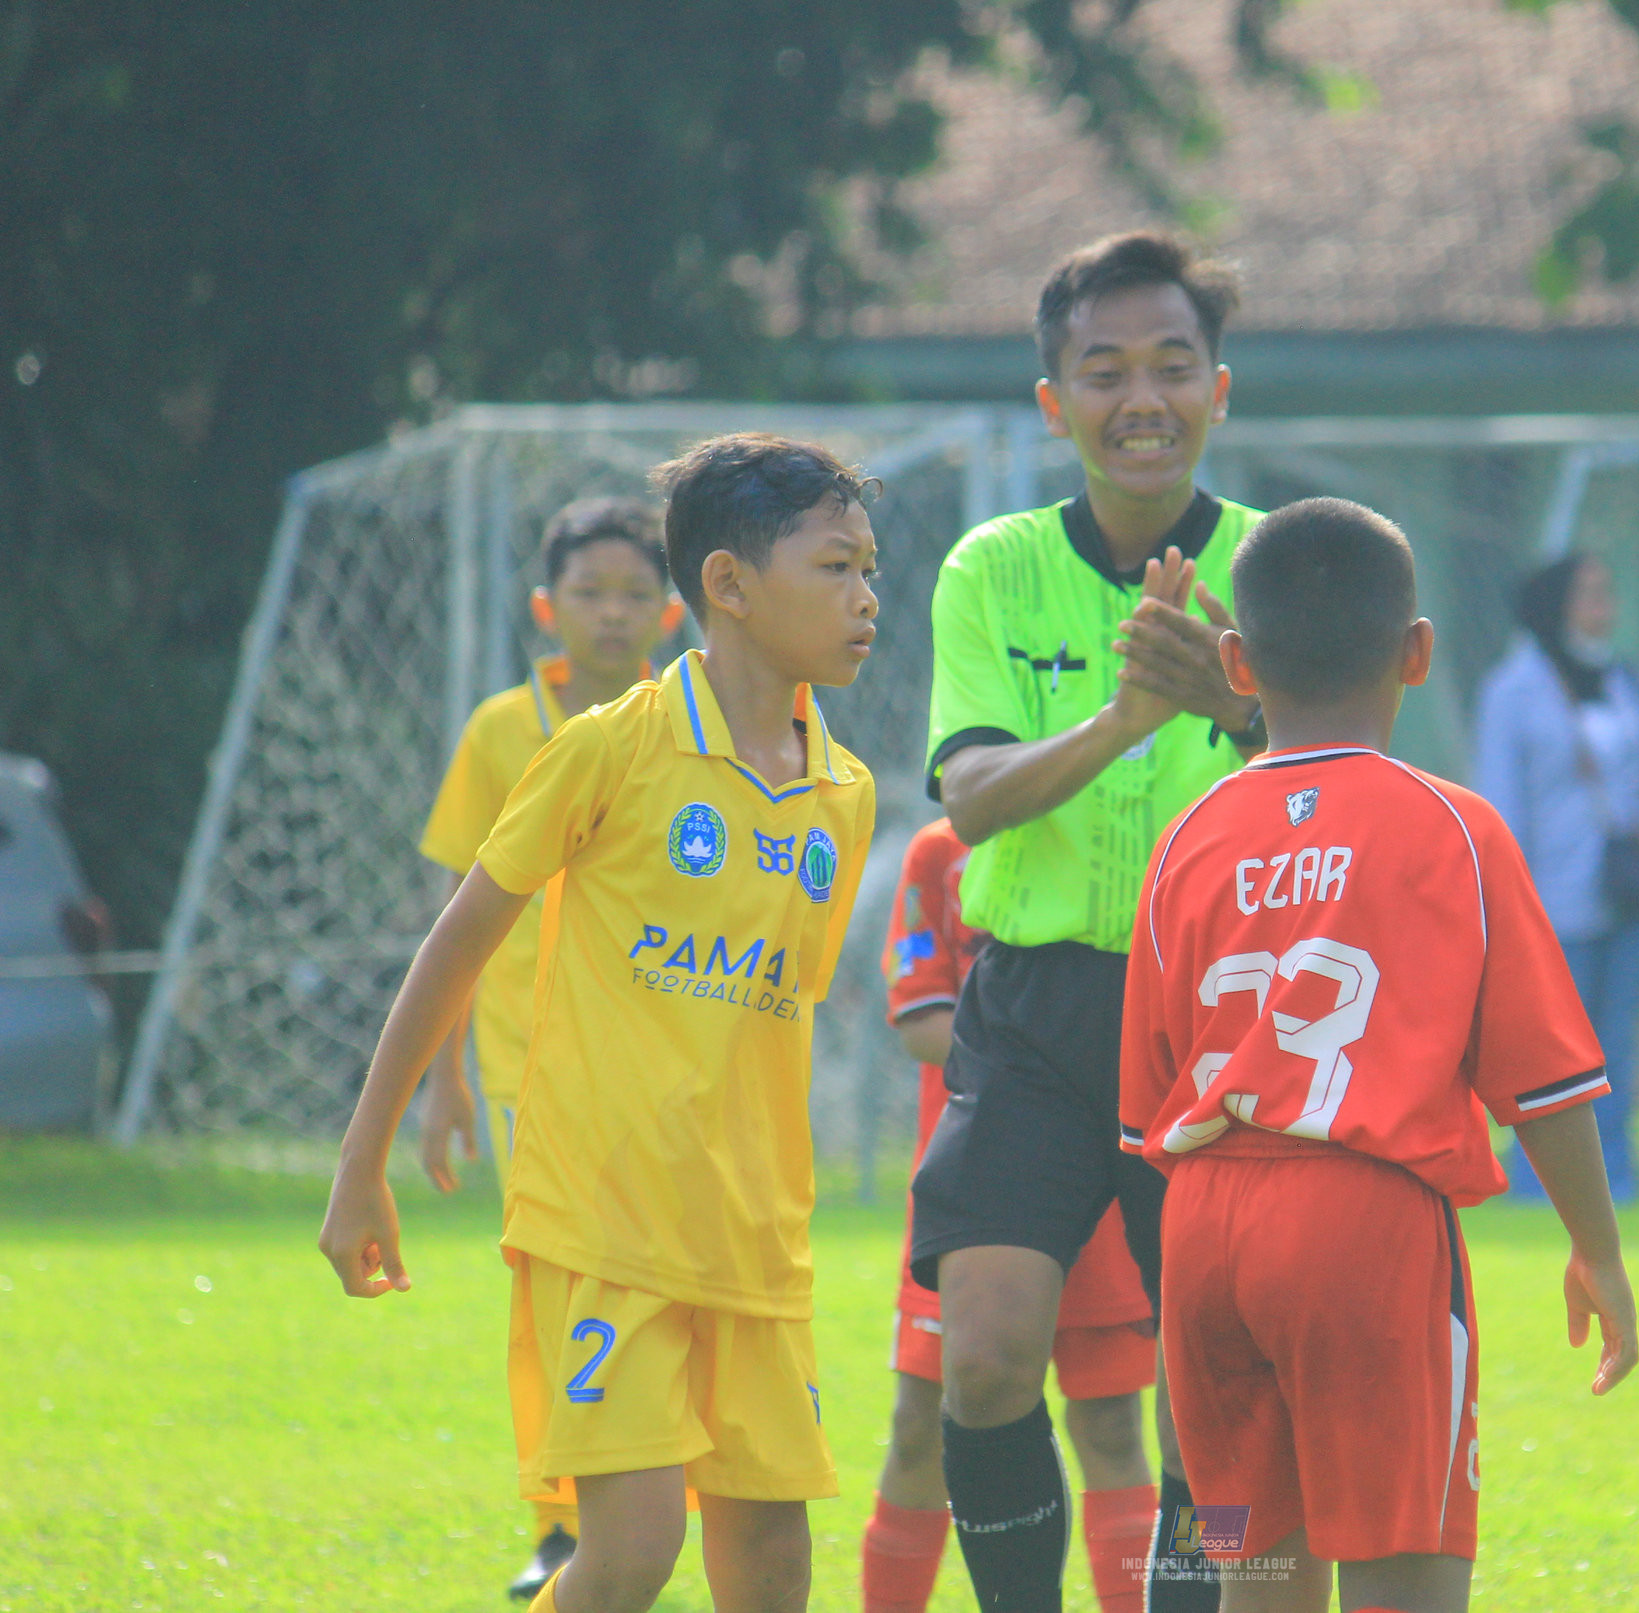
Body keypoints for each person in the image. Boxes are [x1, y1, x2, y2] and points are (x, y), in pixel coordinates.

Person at [318, 434, 882, 1613]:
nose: (865, 596)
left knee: (775, 1564)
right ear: (728, 585)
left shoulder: (847, 791)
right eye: (835, 566)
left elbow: (777, 1009)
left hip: (755, 1238)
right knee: (629, 1550)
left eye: (869, 567)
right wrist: (364, 1157)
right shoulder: (608, 747)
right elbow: (457, 940)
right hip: (607, 1221)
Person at [1120, 498, 1639, 1613]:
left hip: (1203, 1233)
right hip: (1363, 1226)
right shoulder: (1453, 827)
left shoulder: (1187, 840)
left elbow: (1145, 1102)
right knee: (1405, 1578)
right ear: (1416, 652)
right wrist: (1597, 1248)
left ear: (1235, 662)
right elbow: (1543, 1083)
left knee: (1255, 1579)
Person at [911, 228, 1263, 1611]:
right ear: (1053, 404)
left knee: (1215, 1381)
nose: (1141, 399)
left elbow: (1342, 778)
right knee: (984, 1356)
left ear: (1217, 391)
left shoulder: (1277, 568)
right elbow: (975, 800)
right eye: (1102, 370)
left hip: (1225, 1018)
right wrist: (1129, 717)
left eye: (1172, 366)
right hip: (1035, 1014)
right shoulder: (989, 570)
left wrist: (1232, 706)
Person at [415, 495, 684, 1599]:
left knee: (671, 1297)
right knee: (558, 1296)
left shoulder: (693, 731)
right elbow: (454, 907)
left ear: (671, 612)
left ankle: (657, 1498)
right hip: (536, 1071)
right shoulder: (498, 732)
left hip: (670, 1074)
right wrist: (446, 1078)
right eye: (589, 593)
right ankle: (560, 1521)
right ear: (545, 607)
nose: (612, 614)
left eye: (632, 594)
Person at [862, 816, 1160, 1613]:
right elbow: (917, 1012)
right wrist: (1024, 1042)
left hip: (1107, 1172)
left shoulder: (1132, 834)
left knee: (1111, 1423)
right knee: (923, 1422)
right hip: (979, 1186)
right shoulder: (940, 848)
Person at [1471, 553, 1639, 1203]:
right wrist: (1502, 906)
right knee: (1548, 1053)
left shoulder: (1633, 681)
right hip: (1549, 902)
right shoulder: (1512, 690)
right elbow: (1500, 804)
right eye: (1588, 593)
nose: (1603, 606)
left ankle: (1614, 1181)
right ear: (1553, 604)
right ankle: (1536, 1185)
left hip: (1626, 892)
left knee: (1616, 1047)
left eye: (1608, 592)